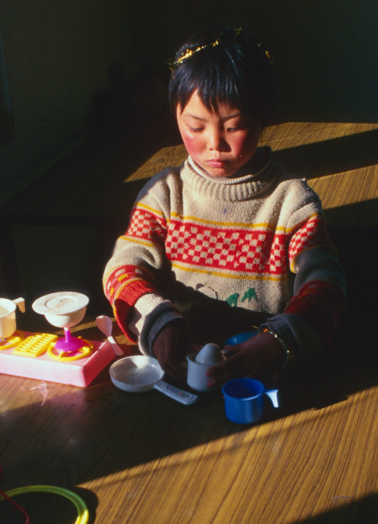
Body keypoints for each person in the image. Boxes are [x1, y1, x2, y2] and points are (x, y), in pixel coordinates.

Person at [102, 27, 346, 389]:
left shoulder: (292, 202)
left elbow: (325, 284)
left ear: (262, 118)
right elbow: (122, 268)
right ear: (176, 116)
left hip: (261, 379)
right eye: (195, 127)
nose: (215, 144)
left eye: (234, 127)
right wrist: (159, 321)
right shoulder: (164, 194)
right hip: (180, 375)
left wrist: (279, 341)